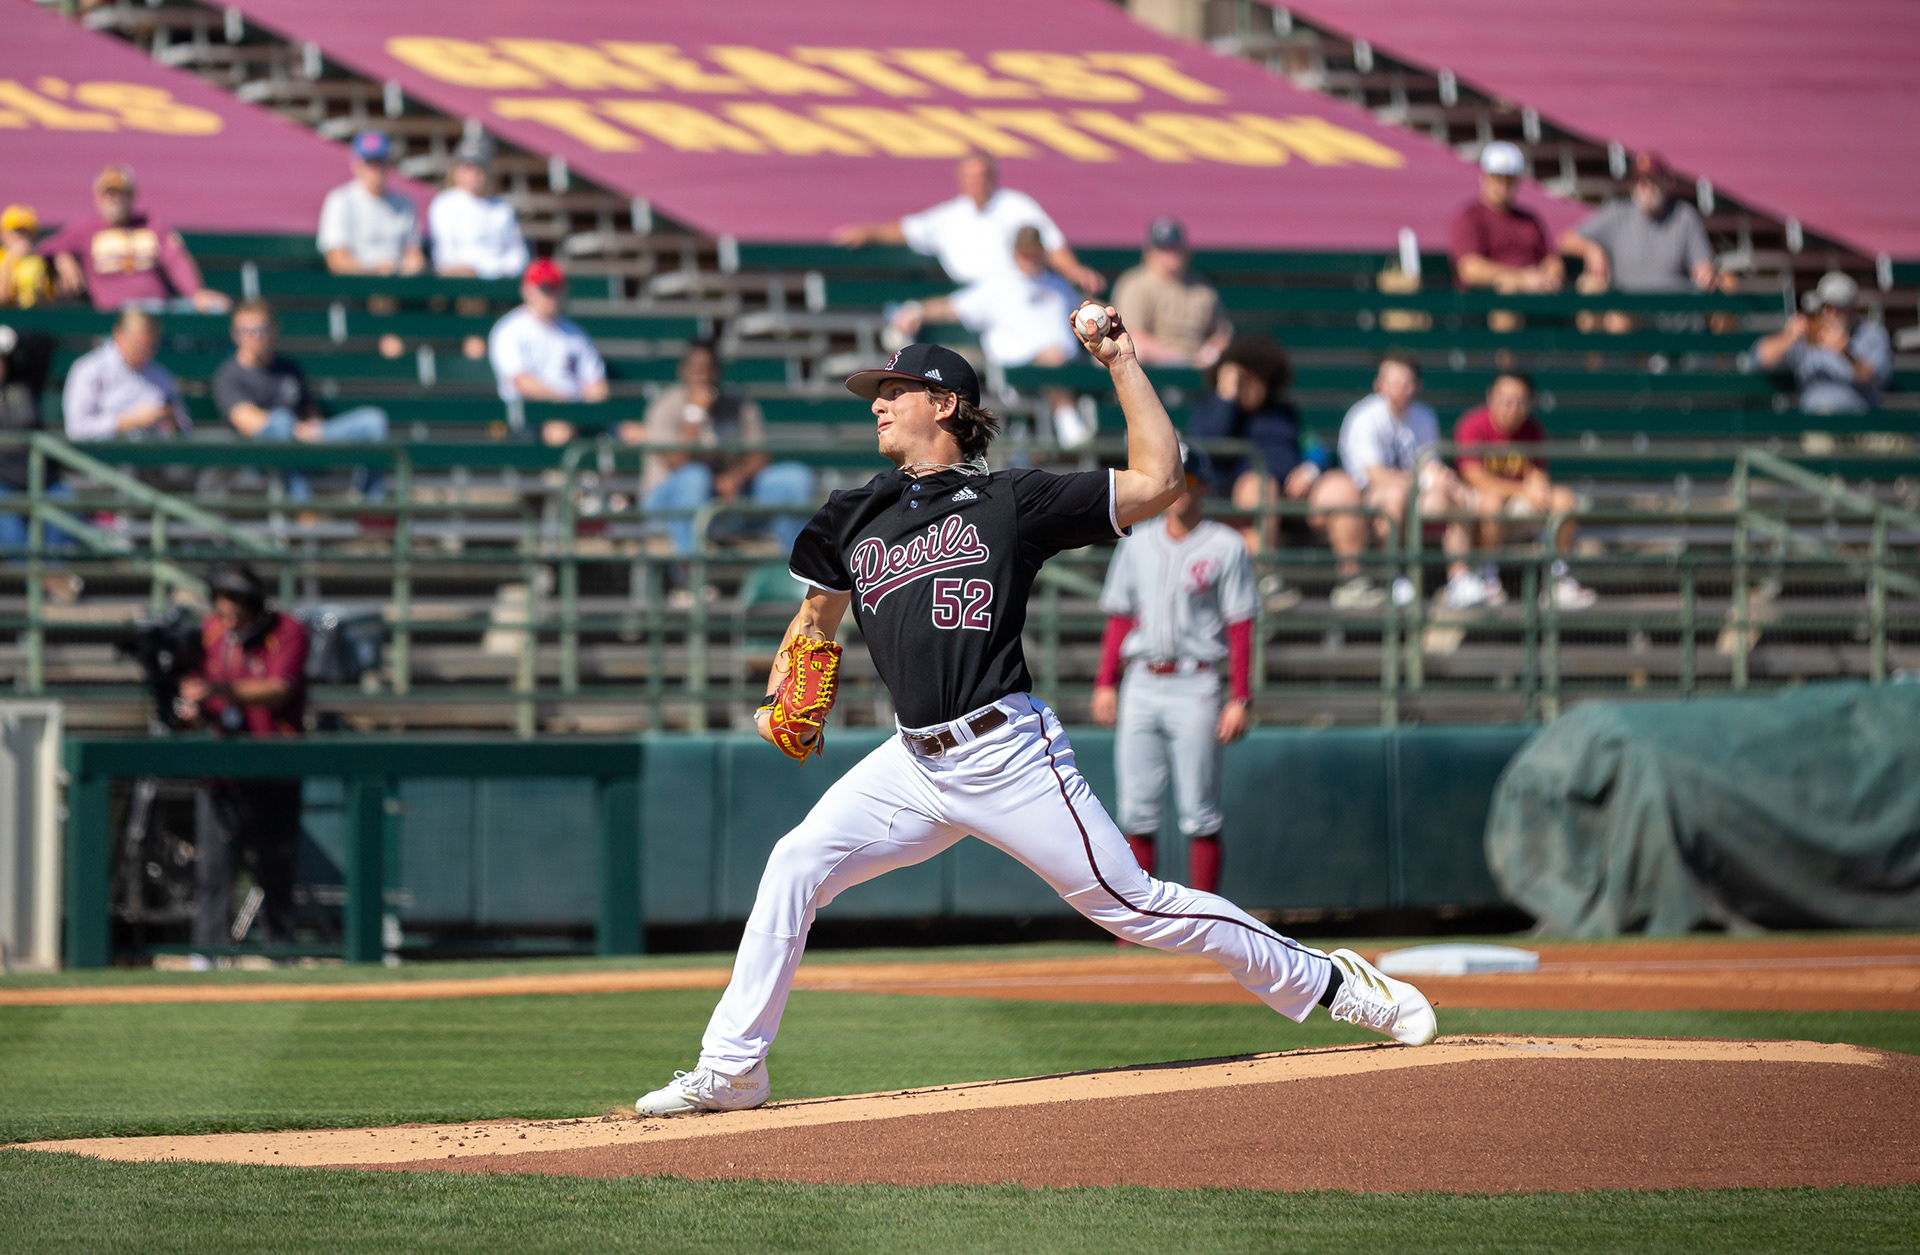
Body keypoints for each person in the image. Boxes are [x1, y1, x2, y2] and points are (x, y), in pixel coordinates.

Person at [631, 326, 1437, 1119]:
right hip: (912, 764)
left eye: (893, 391)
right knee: (795, 862)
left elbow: (1160, 478)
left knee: (1136, 904)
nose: (877, 404)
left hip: (1006, 752)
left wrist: (1120, 359)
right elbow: (816, 615)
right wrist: (792, 674)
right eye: (877, 393)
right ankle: (733, 1069)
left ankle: (1337, 982)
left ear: (945, 404)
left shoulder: (1010, 500)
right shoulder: (852, 513)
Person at [1091, 445, 1254, 898]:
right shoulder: (1139, 540)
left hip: (1196, 681)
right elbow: (1120, 617)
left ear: (1203, 486)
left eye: (1192, 481)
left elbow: (1242, 624)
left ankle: (1209, 922)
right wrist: (1106, 682)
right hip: (1141, 680)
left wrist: (1240, 697)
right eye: (1178, 481)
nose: (1184, 491)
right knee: (1136, 809)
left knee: (1199, 810)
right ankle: (1136, 925)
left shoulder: (1226, 544)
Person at [174, 563, 309, 959]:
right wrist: (193, 705)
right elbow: (199, 683)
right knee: (213, 871)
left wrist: (219, 690)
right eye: (221, 607)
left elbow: (278, 690)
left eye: (235, 609)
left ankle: (279, 953)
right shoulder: (214, 632)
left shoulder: (287, 631)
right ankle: (207, 956)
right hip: (223, 770)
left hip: (274, 765)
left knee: (274, 869)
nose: (226, 618)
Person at [1310, 352, 1474, 610]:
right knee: (1393, 497)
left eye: (1406, 382)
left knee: (1451, 495)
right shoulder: (1363, 416)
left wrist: (1446, 482)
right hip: (1367, 497)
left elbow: (1429, 464)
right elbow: (1376, 476)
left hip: (1413, 494)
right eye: (1392, 381)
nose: (1400, 389)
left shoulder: (1425, 416)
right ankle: (1394, 578)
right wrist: (1429, 481)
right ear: (1379, 384)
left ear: (1417, 386)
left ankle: (1460, 577)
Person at [628, 340, 814, 557]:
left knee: (795, 479)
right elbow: (679, 460)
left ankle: (802, 572)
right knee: (695, 478)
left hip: (730, 495)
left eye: (709, 370)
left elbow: (760, 454)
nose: (703, 377)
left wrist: (734, 478)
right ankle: (690, 576)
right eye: (696, 370)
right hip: (666, 505)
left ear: (718, 372)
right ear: (683, 371)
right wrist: (695, 414)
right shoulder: (665, 406)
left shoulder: (737, 404)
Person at [833, 150, 1104, 293]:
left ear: (993, 177)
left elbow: (1049, 243)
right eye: (970, 176)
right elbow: (909, 229)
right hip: (973, 298)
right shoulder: (950, 216)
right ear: (961, 181)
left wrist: (1075, 272)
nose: (976, 182)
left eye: (982, 175)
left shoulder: (1016, 205)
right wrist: (868, 231)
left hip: (1017, 291)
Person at [212, 300, 390, 500]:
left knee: (373, 420)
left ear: (273, 330)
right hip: (258, 456)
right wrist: (292, 429)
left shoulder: (289, 368)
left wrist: (312, 425)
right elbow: (247, 422)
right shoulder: (229, 375)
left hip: (304, 440)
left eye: (260, 329)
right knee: (280, 420)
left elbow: (309, 410)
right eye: (245, 330)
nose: (254, 336)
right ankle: (303, 509)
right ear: (235, 334)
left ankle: (371, 511)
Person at [1451, 371, 1595, 610]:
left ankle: (1557, 578)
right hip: (1480, 502)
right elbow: (1473, 476)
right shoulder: (1472, 424)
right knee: (1492, 503)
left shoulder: (1533, 430)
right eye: (1506, 400)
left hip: (1518, 500)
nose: (1513, 408)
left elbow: (1537, 472)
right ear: (1491, 398)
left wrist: (1539, 489)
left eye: (1520, 401)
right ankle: (1488, 577)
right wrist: (1524, 490)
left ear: (1530, 403)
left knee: (1564, 501)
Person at [1185, 334, 1320, 552]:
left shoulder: (1284, 413)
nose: (1250, 387)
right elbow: (1208, 447)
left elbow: (1316, 448)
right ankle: (1265, 576)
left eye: (1257, 379)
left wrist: (1309, 471)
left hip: (1291, 498)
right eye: (1242, 381)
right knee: (1259, 487)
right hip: (1232, 500)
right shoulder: (1212, 410)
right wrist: (1226, 396)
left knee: (1340, 490)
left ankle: (1354, 579)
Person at [42, 166, 229, 313]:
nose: (114, 200)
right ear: (97, 198)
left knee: (217, 308)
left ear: (132, 196)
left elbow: (175, 259)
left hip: (159, 309)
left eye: (120, 194)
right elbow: (44, 247)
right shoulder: (85, 230)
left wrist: (195, 292)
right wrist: (61, 255)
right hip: (118, 316)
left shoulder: (150, 223)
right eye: (108, 194)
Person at [487, 258, 607, 446]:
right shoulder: (510, 329)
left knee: (635, 433)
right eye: (544, 288)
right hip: (530, 414)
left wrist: (585, 409)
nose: (550, 295)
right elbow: (522, 383)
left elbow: (597, 385)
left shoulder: (576, 334)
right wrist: (566, 402)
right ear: (527, 290)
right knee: (559, 430)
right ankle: (558, 476)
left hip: (577, 412)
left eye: (555, 288)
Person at [1562, 152, 1715, 295]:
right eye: (1639, 180)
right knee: (1594, 292)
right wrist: (1591, 249)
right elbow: (1566, 241)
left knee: (1727, 286)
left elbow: (1702, 266)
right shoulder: (1617, 214)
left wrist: (1705, 275)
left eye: (1651, 179)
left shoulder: (1684, 216)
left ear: (1665, 181)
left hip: (1677, 311)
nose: (1645, 186)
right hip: (1631, 312)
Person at [1753, 272, 1892, 415]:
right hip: (1819, 420)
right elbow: (1760, 358)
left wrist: (1845, 352)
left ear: (1852, 306)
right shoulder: (1807, 334)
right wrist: (1789, 337)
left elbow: (1874, 378)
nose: (1830, 313)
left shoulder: (1872, 334)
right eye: (1825, 306)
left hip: (1863, 420)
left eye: (1837, 306)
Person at [1110, 217, 1231, 368]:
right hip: (1155, 366)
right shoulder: (1136, 284)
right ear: (1150, 251)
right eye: (1162, 248)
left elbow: (1222, 332)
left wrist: (1211, 352)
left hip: (1199, 363)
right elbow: (1130, 335)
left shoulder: (1202, 288)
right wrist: (1176, 358)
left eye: (1173, 248)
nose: (1169, 254)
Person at [61, 307, 189, 440]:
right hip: (101, 456)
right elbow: (77, 429)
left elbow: (184, 429)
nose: (145, 351)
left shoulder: (162, 375)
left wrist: (170, 419)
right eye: (139, 344)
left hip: (155, 457)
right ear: (119, 334)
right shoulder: (88, 370)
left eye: (151, 345)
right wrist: (130, 421)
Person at [1450, 142, 1561, 294]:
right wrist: (1521, 279)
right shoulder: (1470, 218)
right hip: (1487, 301)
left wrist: (1548, 277)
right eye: (1497, 178)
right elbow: (1470, 269)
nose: (1502, 186)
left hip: (1535, 296)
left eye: (1509, 179)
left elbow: (1551, 259)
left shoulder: (1529, 219)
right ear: (1484, 177)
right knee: (1508, 292)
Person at [318, 130, 426, 276]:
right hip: (357, 287)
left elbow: (414, 254)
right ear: (356, 165)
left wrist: (407, 267)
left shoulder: (404, 203)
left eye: (380, 162)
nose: (375, 169)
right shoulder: (340, 201)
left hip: (397, 286)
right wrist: (374, 270)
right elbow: (337, 260)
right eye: (369, 163)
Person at [428, 134, 530, 279]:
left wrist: (489, 270)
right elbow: (444, 257)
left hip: (498, 285)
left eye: (479, 168)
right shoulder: (444, 204)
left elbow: (518, 257)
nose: (473, 175)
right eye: (468, 167)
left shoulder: (502, 208)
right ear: (456, 171)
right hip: (461, 285)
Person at [1, 205, 54, 309]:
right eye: (16, 231)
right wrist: (11, 260)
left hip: (32, 321)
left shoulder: (41, 261)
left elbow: (49, 301)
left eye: (26, 231)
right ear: (3, 234)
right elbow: (2, 297)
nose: (21, 236)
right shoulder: (2, 258)